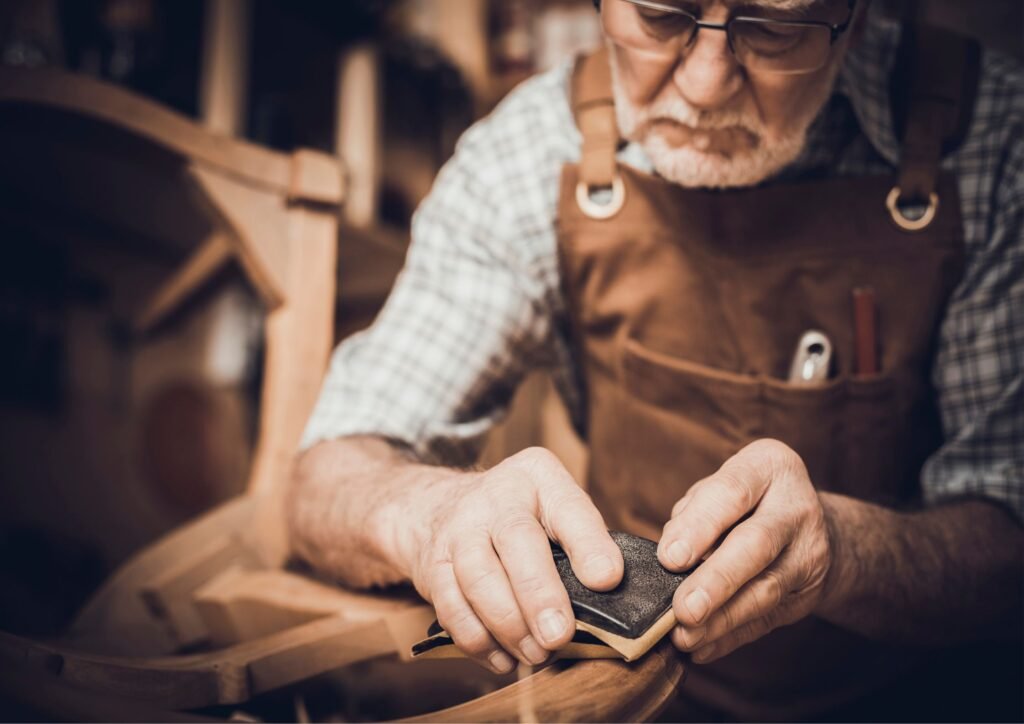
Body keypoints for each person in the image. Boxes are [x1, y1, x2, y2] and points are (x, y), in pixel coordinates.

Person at [288, 0, 1023, 718]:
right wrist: (432, 514)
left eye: (773, 28)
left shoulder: (990, 136)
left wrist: (846, 551)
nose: (705, 84)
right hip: (632, 697)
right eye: (660, 16)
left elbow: (1010, 546)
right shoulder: (529, 152)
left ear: (856, 17)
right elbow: (325, 479)